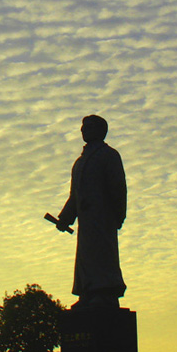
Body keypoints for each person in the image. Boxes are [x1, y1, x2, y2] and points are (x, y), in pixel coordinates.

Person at [55, 115, 126, 308]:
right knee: (86, 256)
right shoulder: (79, 163)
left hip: (103, 218)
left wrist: (118, 215)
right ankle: (88, 292)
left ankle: (104, 293)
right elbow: (75, 195)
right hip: (86, 222)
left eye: (88, 126)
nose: (83, 130)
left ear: (100, 130)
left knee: (103, 255)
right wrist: (65, 218)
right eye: (82, 126)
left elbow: (118, 188)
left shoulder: (109, 155)